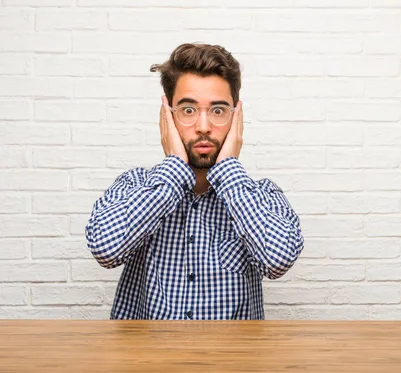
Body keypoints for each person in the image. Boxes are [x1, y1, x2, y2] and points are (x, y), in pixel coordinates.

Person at [85, 43, 304, 320]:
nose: (202, 126)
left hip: (229, 362)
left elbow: (278, 261)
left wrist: (229, 171)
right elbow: (106, 251)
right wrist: (174, 170)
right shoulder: (134, 185)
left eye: (218, 111)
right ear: (167, 115)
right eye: (188, 110)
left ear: (236, 118)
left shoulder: (262, 196)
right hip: (147, 362)